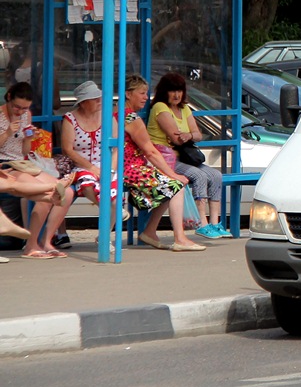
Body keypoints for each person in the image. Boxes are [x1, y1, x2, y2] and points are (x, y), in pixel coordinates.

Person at [120, 74, 204, 252]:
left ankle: (150, 231)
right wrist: (173, 174)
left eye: (146, 93)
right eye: (141, 93)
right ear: (128, 94)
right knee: (176, 185)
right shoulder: (131, 119)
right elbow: (150, 152)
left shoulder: (117, 113)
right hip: (131, 169)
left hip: (125, 168)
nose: (145, 97)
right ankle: (179, 238)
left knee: (169, 186)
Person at [147, 72, 230, 239]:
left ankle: (215, 223)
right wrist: (185, 136)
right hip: (165, 159)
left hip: (185, 158)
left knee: (216, 175)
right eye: (172, 91)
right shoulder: (160, 108)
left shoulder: (184, 109)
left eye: (180, 91)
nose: (177, 95)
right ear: (165, 91)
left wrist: (189, 135)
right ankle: (202, 223)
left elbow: (197, 134)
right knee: (198, 175)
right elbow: (175, 138)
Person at [1, 82, 75, 259]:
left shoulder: (26, 115)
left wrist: (30, 138)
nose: (20, 111)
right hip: (5, 164)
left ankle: (46, 241)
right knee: (49, 190)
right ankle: (31, 245)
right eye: (17, 107)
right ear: (9, 97)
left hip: (22, 162)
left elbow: (24, 151)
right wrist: (7, 133)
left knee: (68, 192)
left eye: (24, 108)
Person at [57, 81, 126, 234]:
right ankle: (108, 207)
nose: (99, 101)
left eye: (99, 97)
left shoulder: (107, 115)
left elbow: (117, 145)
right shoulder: (70, 119)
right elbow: (68, 150)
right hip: (80, 164)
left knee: (114, 191)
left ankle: (105, 236)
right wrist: (91, 168)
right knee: (87, 181)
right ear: (82, 103)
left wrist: (111, 170)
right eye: (94, 99)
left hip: (106, 163)